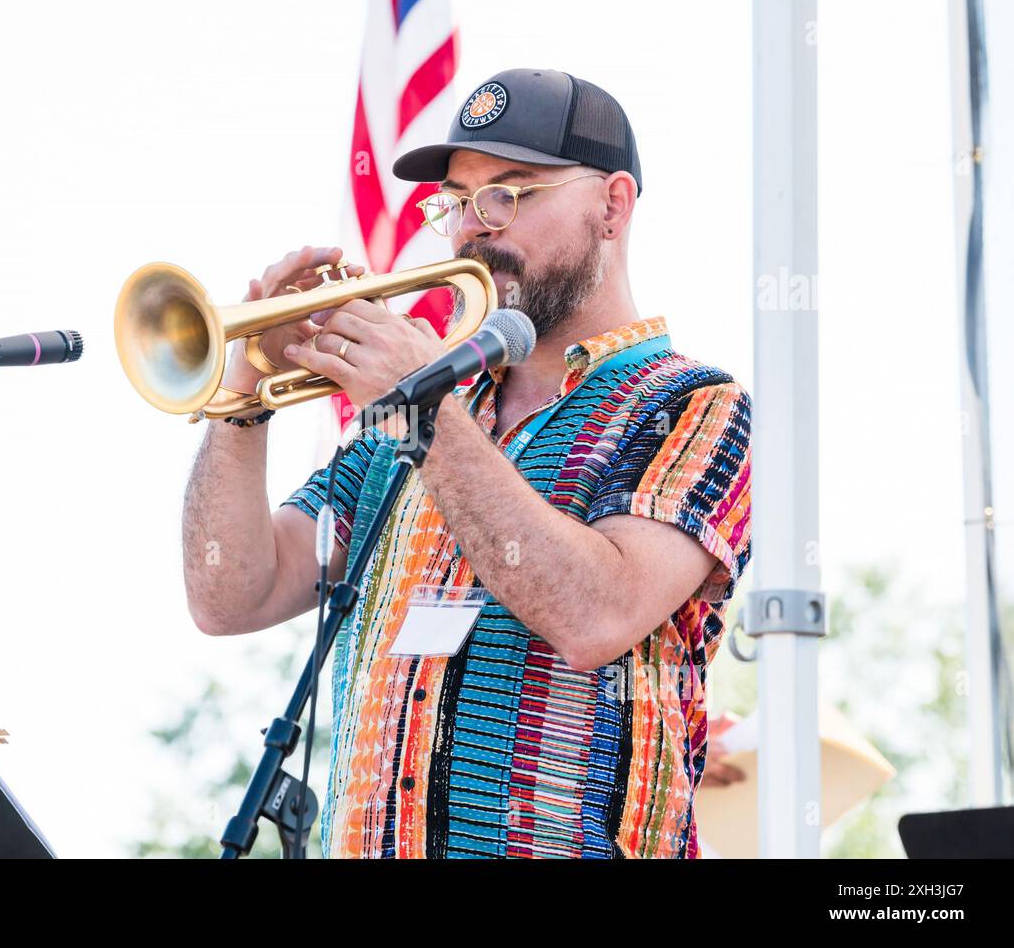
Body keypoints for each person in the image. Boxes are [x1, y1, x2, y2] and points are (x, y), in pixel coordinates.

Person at [182, 68, 752, 858]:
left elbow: (594, 615)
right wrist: (243, 396)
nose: (472, 230)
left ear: (612, 205)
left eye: (510, 194)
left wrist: (425, 411)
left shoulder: (692, 404)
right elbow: (230, 596)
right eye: (457, 201)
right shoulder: (408, 414)